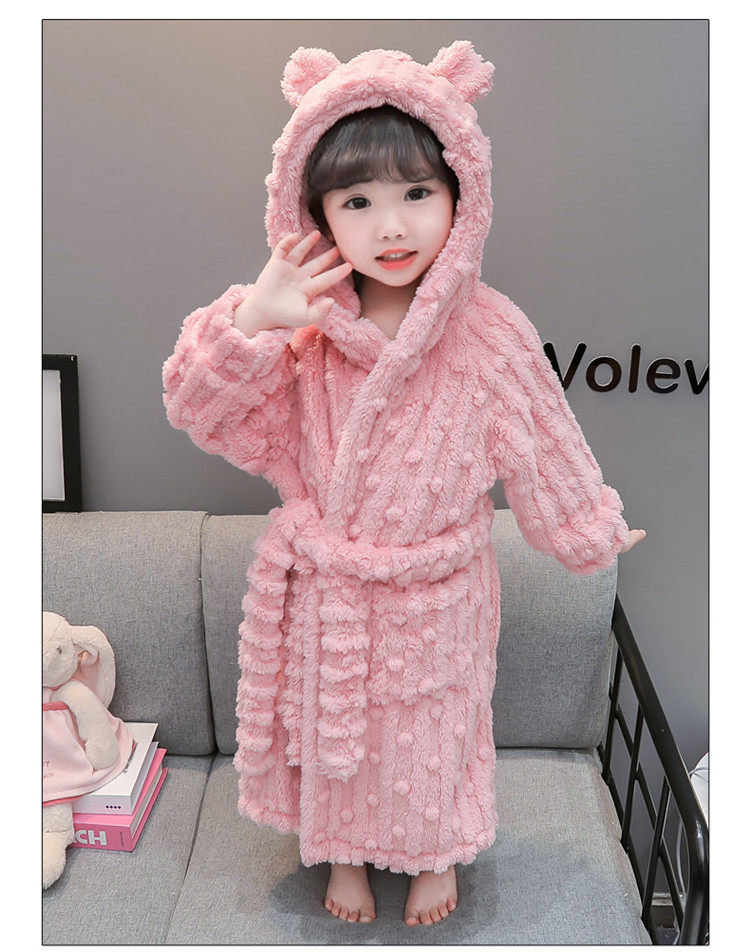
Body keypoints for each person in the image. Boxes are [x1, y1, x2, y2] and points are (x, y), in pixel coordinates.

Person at [162, 42, 646, 928]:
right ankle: (343, 853)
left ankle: (435, 854)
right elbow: (204, 411)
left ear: (463, 195)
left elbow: (543, 436)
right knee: (331, 731)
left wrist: (588, 526)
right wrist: (253, 318)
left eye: (417, 193)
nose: (392, 228)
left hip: (438, 592)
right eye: (358, 202)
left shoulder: (490, 330)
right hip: (332, 587)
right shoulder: (305, 325)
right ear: (313, 214)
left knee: (434, 729)